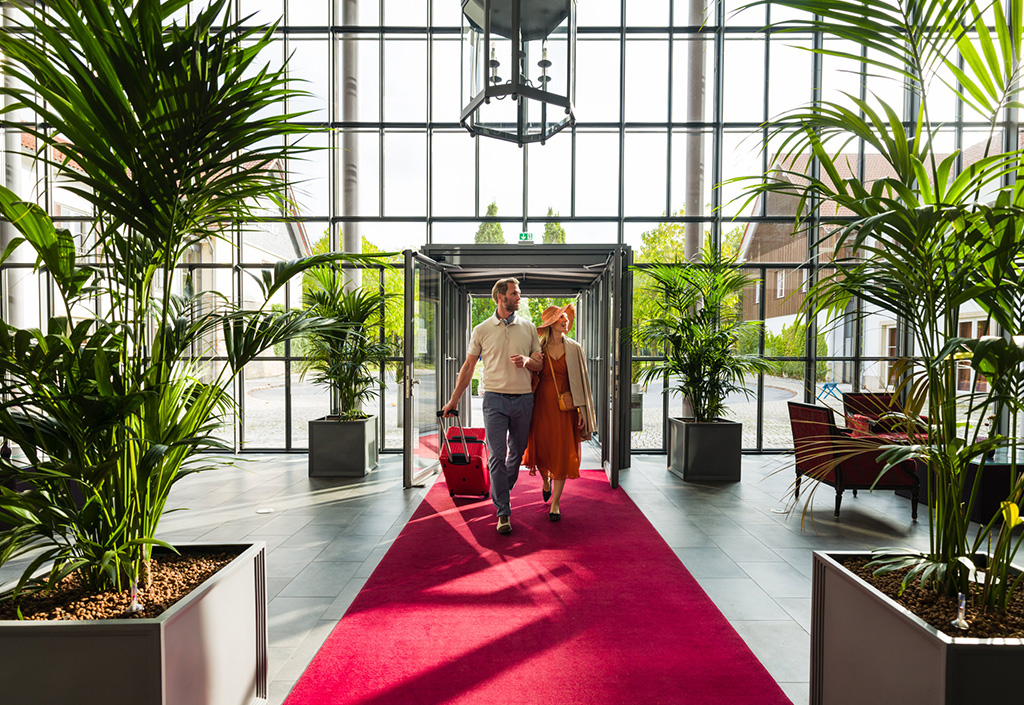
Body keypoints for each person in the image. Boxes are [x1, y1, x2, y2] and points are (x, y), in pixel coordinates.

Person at [441, 277, 543, 535]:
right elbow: (468, 368)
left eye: (519, 293)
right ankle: (503, 512)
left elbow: (539, 364)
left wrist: (527, 362)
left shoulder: (529, 327)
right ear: (500, 297)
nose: (519, 297)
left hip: (523, 400)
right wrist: (453, 400)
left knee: (517, 453)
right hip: (494, 400)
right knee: (497, 456)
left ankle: (499, 489)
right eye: (515, 293)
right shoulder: (482, 329)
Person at [523, 303, 596, 522]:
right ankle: (545, 481)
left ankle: (555, 504)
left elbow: (582, 382)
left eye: (566, 318)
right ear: (551, 324)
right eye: (561, 318)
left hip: (567, 407)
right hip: (541, 405)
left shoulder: (574, 348)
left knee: (563, 451)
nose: (566, 321)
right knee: (544, 447)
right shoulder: (539, 349)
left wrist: (582, 410)